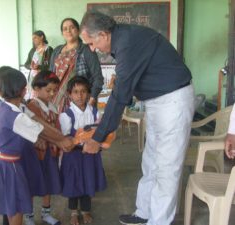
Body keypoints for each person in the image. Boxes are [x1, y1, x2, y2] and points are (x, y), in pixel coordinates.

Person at [80, 11, 195, 225]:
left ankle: (159, 221)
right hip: (157, 102)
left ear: (103, 34)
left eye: (92, 43)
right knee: (151, 161)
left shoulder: (127, 44)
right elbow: (123, 89)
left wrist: (98, 138)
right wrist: (102, 130)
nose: (92, 49)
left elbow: (120, 95)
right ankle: (144, 213)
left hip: (172, 102)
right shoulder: (123, 39)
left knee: (167, 167)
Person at [0, 66, 73, 225]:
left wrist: (60, 138)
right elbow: (39, 130)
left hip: (7, 163)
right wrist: (62, 141)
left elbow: (35, 119)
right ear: (23, 90)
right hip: (9, 166)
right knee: (15, 208)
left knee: (12, 203)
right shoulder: (14, 116)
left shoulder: (14, 106)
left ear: (0, 92)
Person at [59, 76, 107, 225]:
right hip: (73, 157)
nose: (80, 95)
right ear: (69, 94)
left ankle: (86, 211)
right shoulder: (66, 115)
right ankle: (74, 212)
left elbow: (100, 132)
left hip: (90, 156)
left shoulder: (94, 112)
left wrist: (100, 143)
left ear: (88, 93)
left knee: (88, 181)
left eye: (83, 91)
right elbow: (65, 139)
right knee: (73, 183)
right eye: (76, 92)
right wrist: (80, 143)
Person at [25, 70, 62, 225]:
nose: (52, 93)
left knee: (48, 182)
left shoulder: (52, 107)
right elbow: (39, 129)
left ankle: (46, 213)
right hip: (36, 154)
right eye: (48, 90)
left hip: (50, 153)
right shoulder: (32, 107)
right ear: (36, 89)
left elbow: (58, 127)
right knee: (33, 184)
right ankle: (29, 216)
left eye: (54, 90)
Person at [49, 18, 104, 112]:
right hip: (56, 101)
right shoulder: (56, 51)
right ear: (62, 33)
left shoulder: (86, 50)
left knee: (80, 127)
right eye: (65, 29)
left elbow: (98, 77)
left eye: (72, 27)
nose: (68, 31)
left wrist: (92, 99)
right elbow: (50, 76)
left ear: (78, 31)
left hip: (80, 101)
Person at [25, 30, 54, 99]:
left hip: (43, 78)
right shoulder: (32, 50)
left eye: (35, 38)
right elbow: (26, 64)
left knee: (42, 96)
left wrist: (39, 67)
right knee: (32, 97)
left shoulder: (48, 50)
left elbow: (50, 65)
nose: (33, 40)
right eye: (32, 39)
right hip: (32, 78)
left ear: (41, 37)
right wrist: (31, 66)